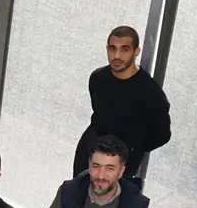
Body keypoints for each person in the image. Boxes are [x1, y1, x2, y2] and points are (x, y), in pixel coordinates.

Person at [73, 25, 171, 179]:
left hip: (123, 161)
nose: (117, 55)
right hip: (90, 151)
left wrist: (133, 147)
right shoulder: (98, 78)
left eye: (125, 49)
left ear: (136, 52)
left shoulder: (150, 93)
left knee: (110, 201)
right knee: (77, 196)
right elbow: (98, 112)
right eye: (112, 49)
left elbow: (162, 134)